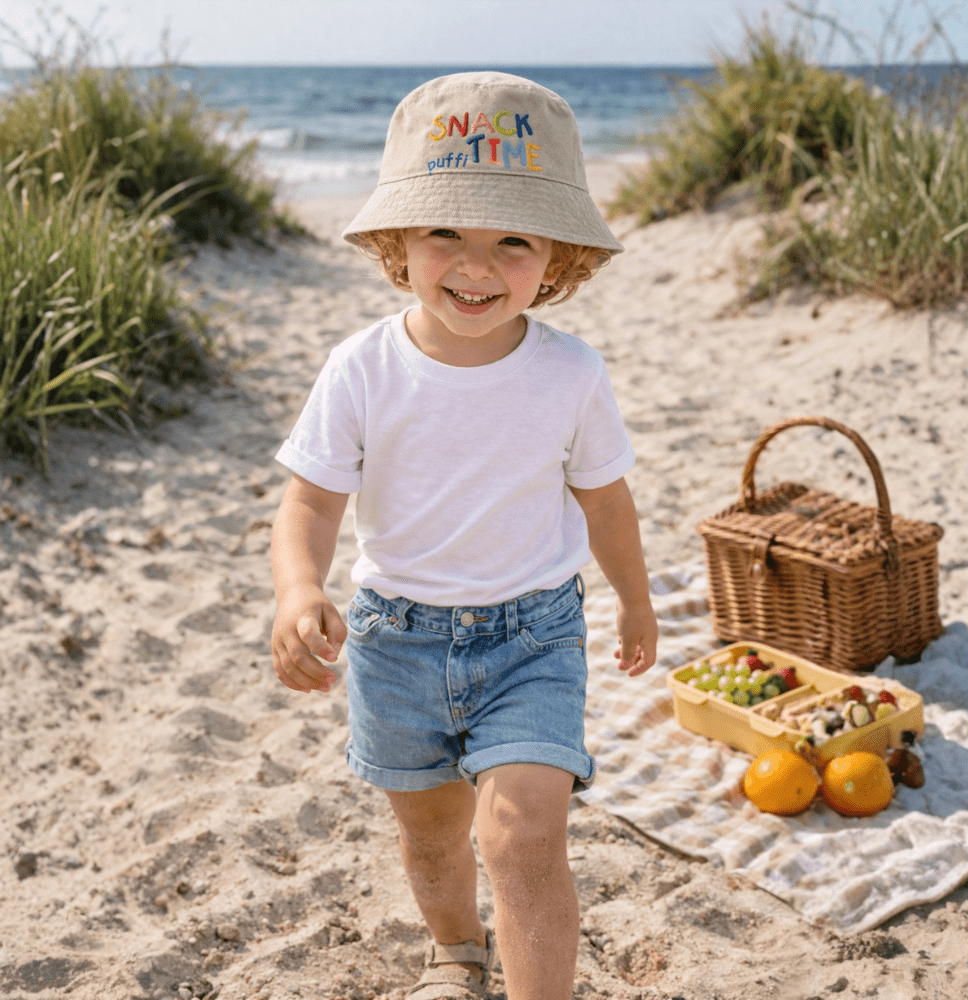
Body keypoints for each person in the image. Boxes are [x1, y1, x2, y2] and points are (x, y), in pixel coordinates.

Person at [270, 71, 658, 1000]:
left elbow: (605, 500)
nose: (475, 264)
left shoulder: (569, 373)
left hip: (534, 636)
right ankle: (455, 950)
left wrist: (636, 601)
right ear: (398, 241)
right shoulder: (362, 367)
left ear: (557, 261)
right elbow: (311, 503)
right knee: (433, 833)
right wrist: (300, 589)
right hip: (395, 638)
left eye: (511, 240)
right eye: (446, 230)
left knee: (521, 834)